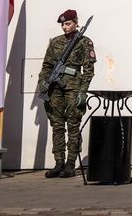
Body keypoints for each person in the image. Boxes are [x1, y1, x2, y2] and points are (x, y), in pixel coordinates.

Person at [37, 9, 96, 178]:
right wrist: (43, 82)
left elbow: (89, 70)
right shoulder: (55, 42)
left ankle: (71, 164)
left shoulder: (85, 42)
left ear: (76, 23)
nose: (64, 27)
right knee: (56, 125)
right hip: (54, 89)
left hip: (73, 88)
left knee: (73, 124)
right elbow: (47, 65)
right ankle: (58, 162)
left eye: (68, 24)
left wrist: (83, 92)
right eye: (63, 24)